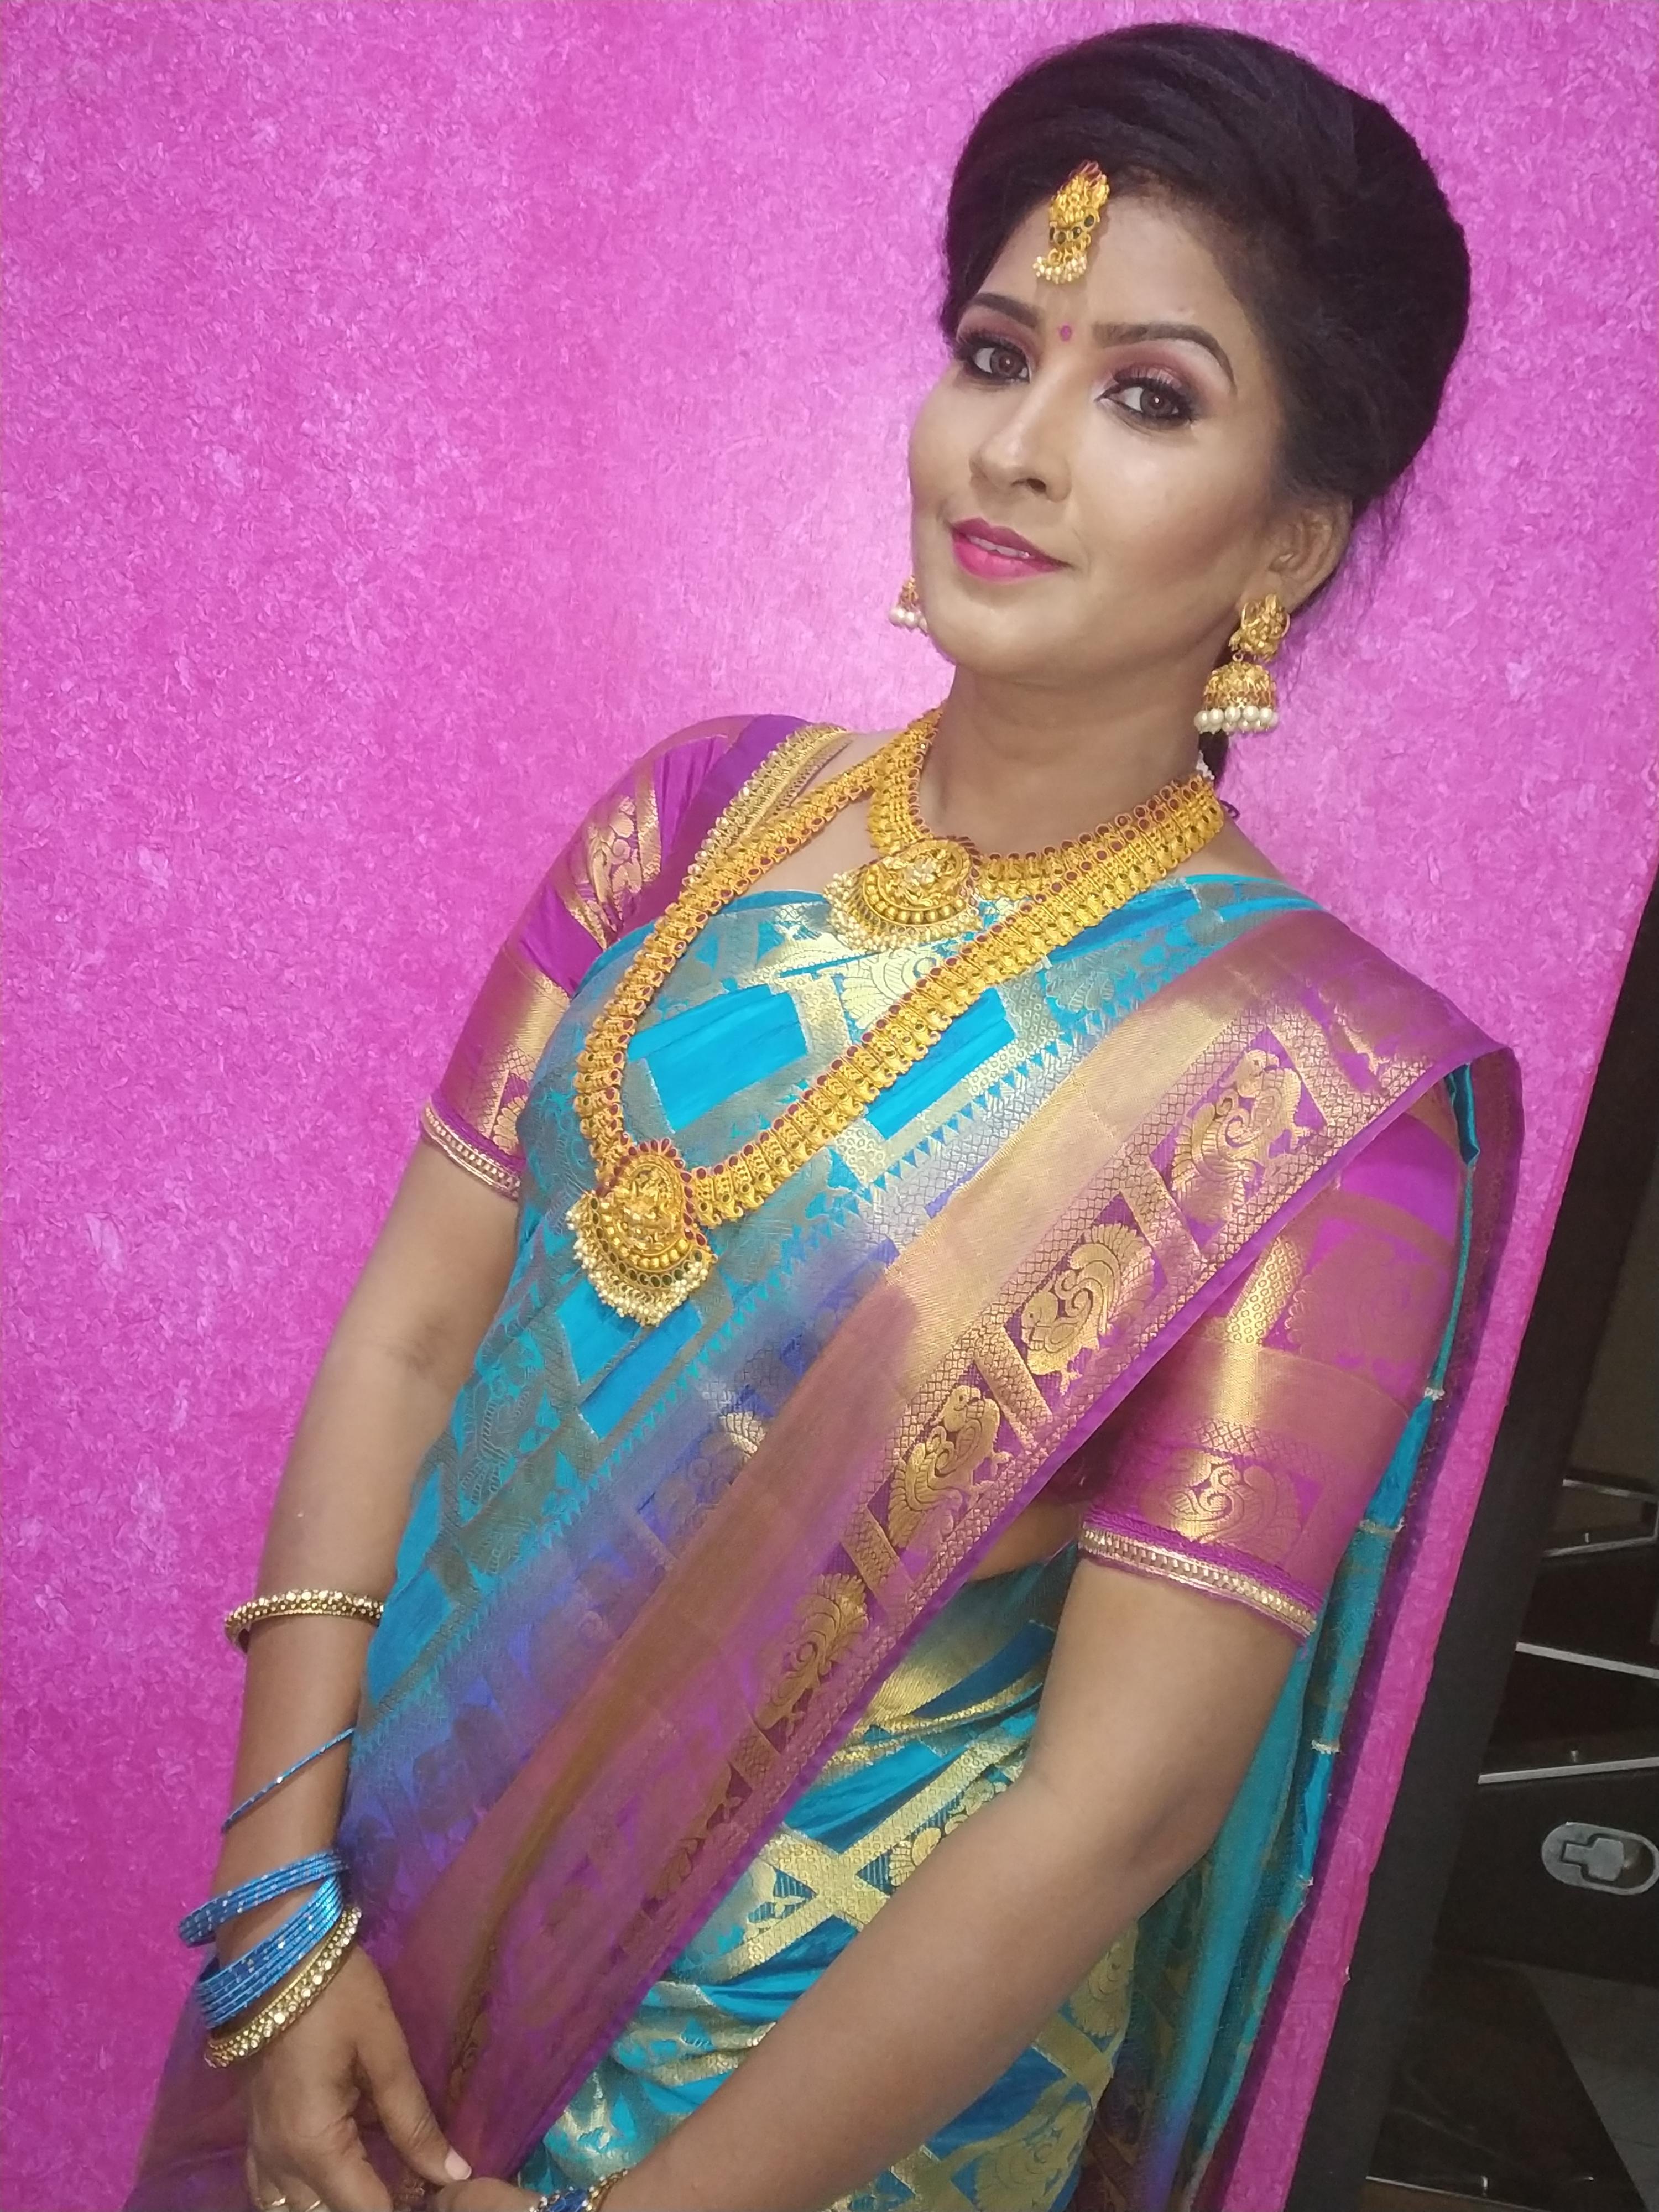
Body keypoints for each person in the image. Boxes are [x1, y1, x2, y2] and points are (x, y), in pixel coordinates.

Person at [129, 22, 1521, 2212]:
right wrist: (282, 1914)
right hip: (366, 1939)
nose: (1019, 448)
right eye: (996, 353)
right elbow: (413, 1332)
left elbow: (1120, 1813)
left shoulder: (1314, 1104)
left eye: (1150, 398)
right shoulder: (686, 825)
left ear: (1292, 538)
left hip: (802, 2118)